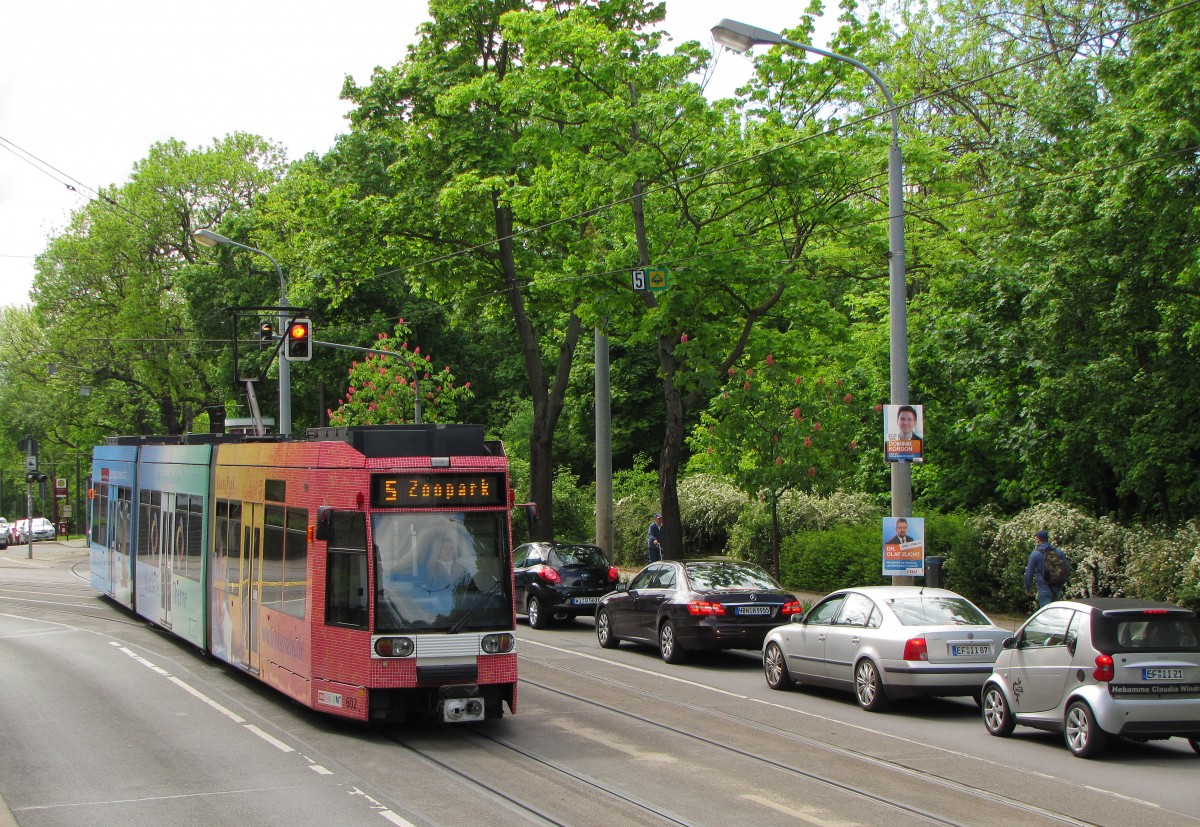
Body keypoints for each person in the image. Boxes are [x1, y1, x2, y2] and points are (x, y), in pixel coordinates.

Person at [1024, 529, 1069, 608]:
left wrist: (1028, 588)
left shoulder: (1035, 554)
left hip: (1044, 589)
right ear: (1047, 538)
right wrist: (1061, 583)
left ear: (1038, 539)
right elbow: (1066, 570)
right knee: (1057, 615)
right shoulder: (1058, 552)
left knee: (1047, 616)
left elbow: (1029, 574)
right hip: (1058, 588)